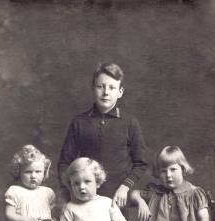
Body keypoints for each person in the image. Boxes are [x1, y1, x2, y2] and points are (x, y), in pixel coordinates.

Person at [57, 62, 148, 208]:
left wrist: (125, 187)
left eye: (112, 87)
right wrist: (71, 189)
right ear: (93, 88)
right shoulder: (79, 122)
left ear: (120, 92)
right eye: (101, 86)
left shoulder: (129, 122)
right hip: (83, 198)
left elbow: (141, 164)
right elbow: (64, 164)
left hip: (117, 199)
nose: (106, 92)